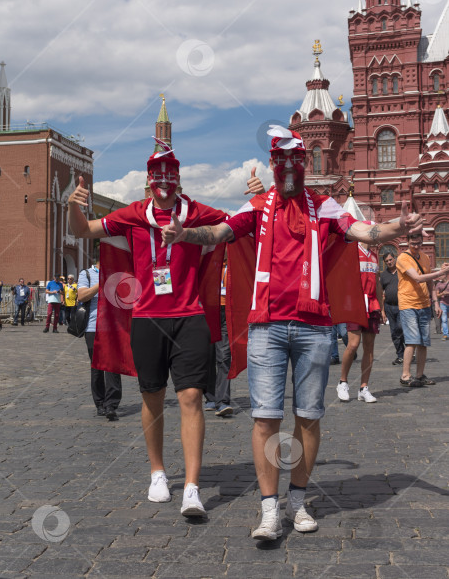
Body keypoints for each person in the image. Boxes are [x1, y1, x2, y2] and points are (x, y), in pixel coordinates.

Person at [161, 125, 423, 540]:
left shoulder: (326, 208)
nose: (288, 168)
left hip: (314, 328)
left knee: (309, 417)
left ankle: (297, 503)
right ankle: (269, 511)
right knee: (265, 419)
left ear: (302, 165)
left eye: (295, 161)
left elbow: (365, 232)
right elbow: (219, 233)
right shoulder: (257, 207)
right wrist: (183, 235)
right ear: (271, 164)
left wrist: (398, 227)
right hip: (266, 326)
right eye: (280, 161)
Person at [68, 137, 263, 518]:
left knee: (191, 397)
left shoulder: (196, 212)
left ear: (179, 179)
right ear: (148, 178)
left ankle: (192, 486)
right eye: (157, 175)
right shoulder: (134, 213)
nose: (163, 182)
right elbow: (84, 231)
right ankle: (158, 471)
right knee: (152, 396)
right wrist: (74, 206)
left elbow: (239, 223)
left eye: (170, 175)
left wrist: (259, 196)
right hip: (147, 317)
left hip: (189, 315)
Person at [396, 233, 449, 387]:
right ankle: (405, 375)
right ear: (407, 242)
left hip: (424, 304)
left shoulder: (424, 257)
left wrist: (436, 303)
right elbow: (417, 278)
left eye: (419, 243)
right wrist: (441, 273)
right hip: (408, 304)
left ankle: (419, 375)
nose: (416, 246)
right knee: (412, 340)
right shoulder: (403, 258)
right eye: (413, 243)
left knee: (424, 342)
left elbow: (430, 283)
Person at [337, 242, 384, 403]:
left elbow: (377, 283)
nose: (377, 238)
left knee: (369, 347)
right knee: (353, 344)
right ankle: (343, 382)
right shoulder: (351, 251)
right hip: (354, 304)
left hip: (371, 305)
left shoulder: (374, 255)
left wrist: (381, 307)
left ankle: (364, 387)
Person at [78, 260, 122, 420]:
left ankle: (111, 405)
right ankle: (100, 403)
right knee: (96, 367)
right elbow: (81, 296)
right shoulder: (87, 274)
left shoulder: (116, 275)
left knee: (112, 366)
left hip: (112, 328)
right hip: (92, 327)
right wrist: (101, 284)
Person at [205, 253, 233, 417]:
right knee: (207, 355)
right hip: (208, 310)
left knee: (224, 356)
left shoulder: (236, 261)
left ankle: (223, 401)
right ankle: (210, 396)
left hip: (228, 310)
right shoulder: (209, 260)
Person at [380, 252, 405, 364]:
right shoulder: (384, 275)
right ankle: (400, 355)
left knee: (400, 328)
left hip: (402, 305)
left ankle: (408, 350)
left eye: (391, 259)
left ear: (395, 259)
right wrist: (382, 311)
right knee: (394, 332)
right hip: (389, 307)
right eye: (387, 261)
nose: (389, 262)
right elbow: (381, 294)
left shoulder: (402, 271)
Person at [436, 276, 449, 341]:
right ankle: (445, 334)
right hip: (443, 303)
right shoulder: (438, 284)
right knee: (444, 319)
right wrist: (442, 293)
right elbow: (437, 295)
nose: (440, 277)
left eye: (441, 275)